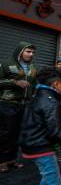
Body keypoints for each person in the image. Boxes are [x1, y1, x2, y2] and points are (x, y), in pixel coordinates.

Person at [0, 42, 36, 173]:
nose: (31, 54)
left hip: (24, 104)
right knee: (6, 133)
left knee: (18, 133)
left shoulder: (32, 67)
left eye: (32, 52)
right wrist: (14, 82)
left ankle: (12, 159)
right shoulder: (7, 64)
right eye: (28, 52)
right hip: (8, 103)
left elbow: (34, 85)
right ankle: (2, 161)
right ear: (20, 51)